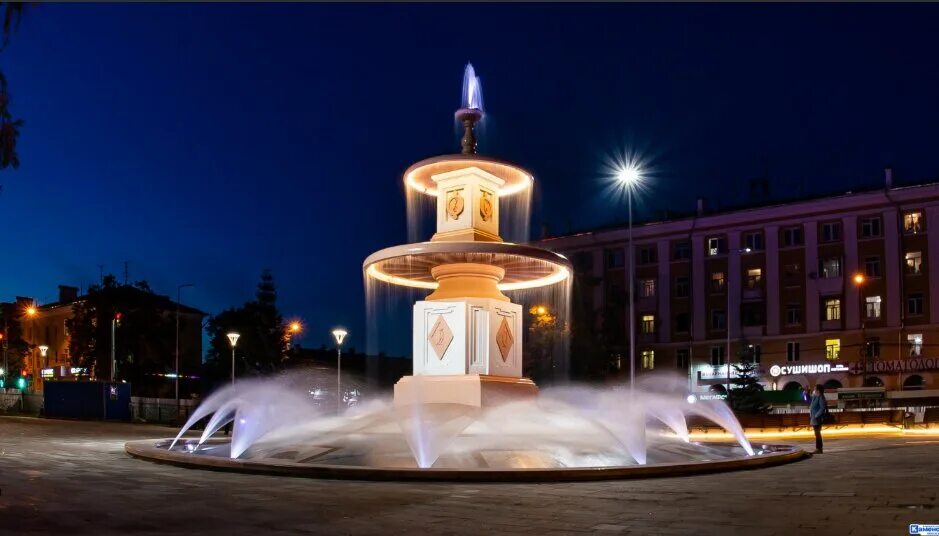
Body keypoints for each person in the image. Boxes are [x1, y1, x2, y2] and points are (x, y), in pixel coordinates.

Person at [809, 384, 828, 454]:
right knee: (816, 433)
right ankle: (819, 448)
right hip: (814, 418)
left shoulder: (821, 397)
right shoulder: (815, 397)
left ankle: (819, 449)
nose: (814, 390)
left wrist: (816, 416)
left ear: (818, 390)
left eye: (815, 389)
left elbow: (822, 408)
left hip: (817, 418)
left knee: (817, 433)